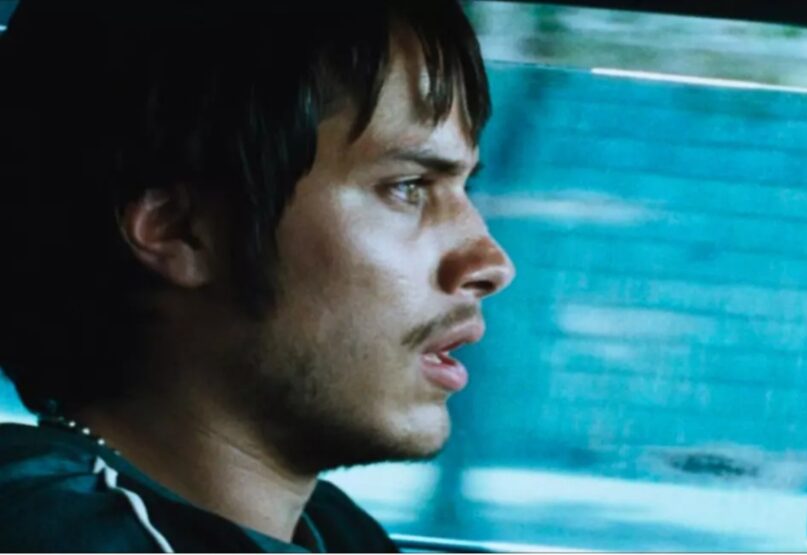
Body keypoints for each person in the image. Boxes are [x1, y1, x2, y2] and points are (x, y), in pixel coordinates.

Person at [0, 0, 513, 551]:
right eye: (408, 187)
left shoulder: (333, 530)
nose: (491, 264)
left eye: (464, 187)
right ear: (181, 230)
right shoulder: (64, 535)